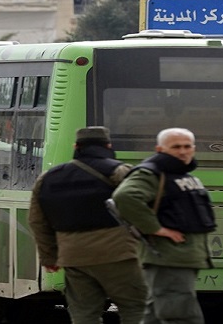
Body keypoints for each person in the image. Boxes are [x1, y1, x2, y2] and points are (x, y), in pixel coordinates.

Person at [28, 127, 147, 324]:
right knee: (136, 308)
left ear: (76, 146)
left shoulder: (47, 178)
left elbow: (37, 221)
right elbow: (143, 205)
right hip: (117, 254)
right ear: (109, 146)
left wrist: (49, 256)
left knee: (83, 314)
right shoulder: (120, 171)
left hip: (74, 257)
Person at [113, 128, 215, 324]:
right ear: (160, 149)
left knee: (156, 314)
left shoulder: (181, 173)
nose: (183, 151)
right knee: (181, 314)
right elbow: (124, 196)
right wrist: (155, 228)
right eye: (176, 147)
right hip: (167, 256)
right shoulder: (151, 173)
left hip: (182, 255)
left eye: (187, 147)